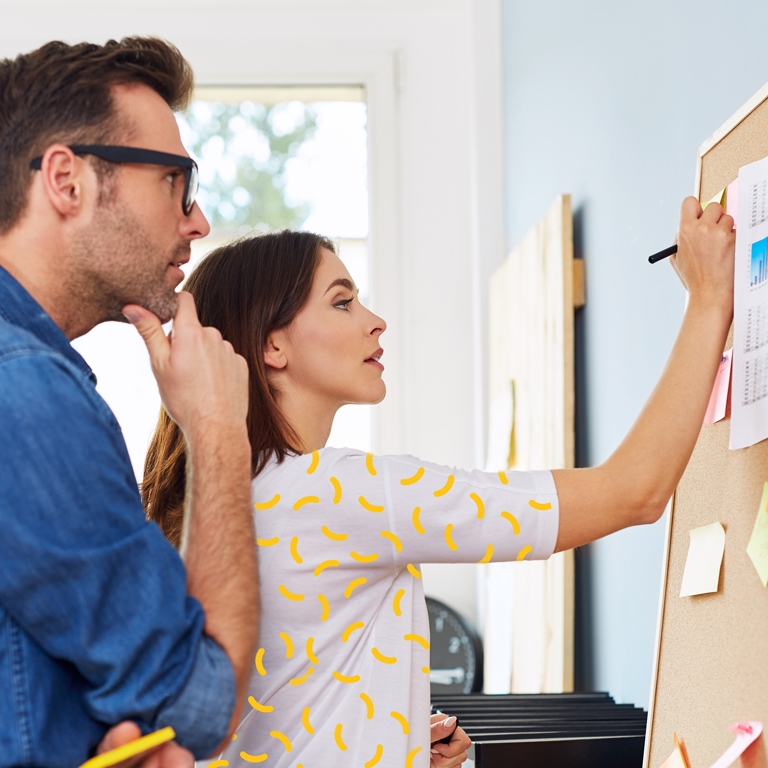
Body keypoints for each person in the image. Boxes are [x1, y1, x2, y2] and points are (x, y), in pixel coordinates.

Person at [143, 205, 734, 767]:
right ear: (273, 346)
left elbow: (280, 709)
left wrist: (388, 740)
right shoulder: (344, 492)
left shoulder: (218, 508)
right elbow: (635, 492)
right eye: (343, 303)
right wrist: (709, 300)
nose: (375, 320)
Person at [0, 38, 258, 764]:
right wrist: (215, 431)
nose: (198, 221)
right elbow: (200, 704)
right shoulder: (24, 388)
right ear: (67, 180)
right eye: (177, 181)